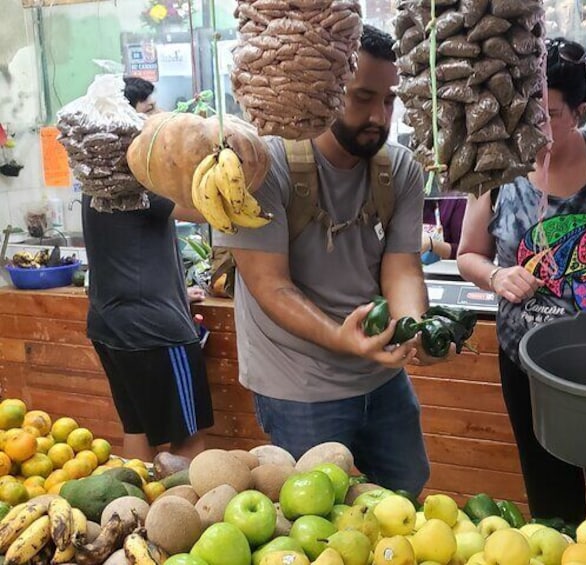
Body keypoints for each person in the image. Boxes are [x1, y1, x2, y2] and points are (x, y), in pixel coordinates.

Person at [217, 25, 445, 496]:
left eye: (389, 100)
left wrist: (411, 325)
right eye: (363, 97)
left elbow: (402, 265)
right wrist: (341, 338)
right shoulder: (262, 164)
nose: (379, 117)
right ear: (328, 88)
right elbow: (270, 285)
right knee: (315, 511)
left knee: (405, 486)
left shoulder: (399, 168)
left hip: (381, 376)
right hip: (297, 383)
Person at [456, 37, 586, 542]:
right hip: (528, 364)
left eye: (548, 114)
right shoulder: (499, 167)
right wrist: (497, 276)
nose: (535, 127)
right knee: (552, 504)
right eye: (528, 111)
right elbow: (467, 254)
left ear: (581, 111)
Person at [83, 77, 212, 461]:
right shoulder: (139, 179)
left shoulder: (98, 178)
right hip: (155, 331)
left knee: (137, 428)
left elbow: (127, 247)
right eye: (149, 111)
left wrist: (174, 289)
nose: (157, 118)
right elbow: (205, 209)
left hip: (109, 324)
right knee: (188, 439)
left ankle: (135, 516)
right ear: (128, 121)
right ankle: (177, 518)